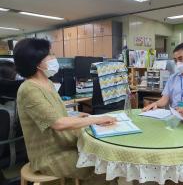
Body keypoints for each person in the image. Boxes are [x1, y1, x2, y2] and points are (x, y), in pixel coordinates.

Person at [14, 38, 116, 185]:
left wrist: (74, 115)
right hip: (49, 155)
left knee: (102, 157)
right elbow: (57, 123)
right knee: (101, 166)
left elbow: (50, 113)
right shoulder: (28, 89)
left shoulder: (47, 83)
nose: (53, 58)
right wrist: (97, 119)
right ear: (36, 62)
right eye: (49, 55)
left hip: (65, 145)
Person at [143, 43, 183, 113]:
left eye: (180, 59)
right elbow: (164, 99)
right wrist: (155, 103)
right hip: (173, 116)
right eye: (175, 60)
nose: (178, 63)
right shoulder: (172, 78)